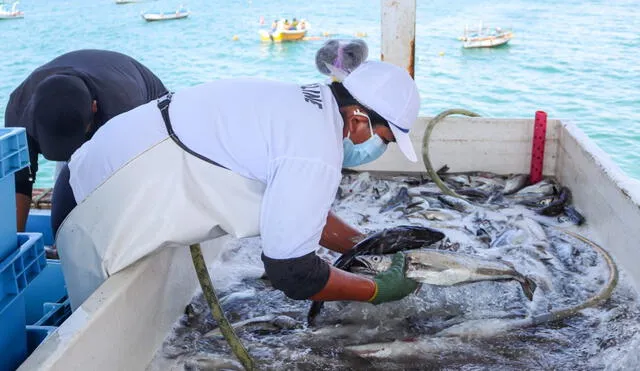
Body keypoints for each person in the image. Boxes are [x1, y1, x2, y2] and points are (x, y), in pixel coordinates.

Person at [52, 41, 421, 310]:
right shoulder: (316, 149)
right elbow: (292, 273)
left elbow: (303, 212)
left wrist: (366, 247)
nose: (378, 148)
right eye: (384, 138)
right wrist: (375, 290)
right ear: (358, 119)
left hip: (92, 170)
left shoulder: (301, 104)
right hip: (92, 210)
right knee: (103, 339)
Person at [4, 49, 168, 232]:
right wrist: (15, 244)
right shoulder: (18, 111)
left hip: (147, 106)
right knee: (69, 184)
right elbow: (20, 182)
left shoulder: (126, 108)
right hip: (82, 110)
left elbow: (132, 181)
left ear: (94, 107)